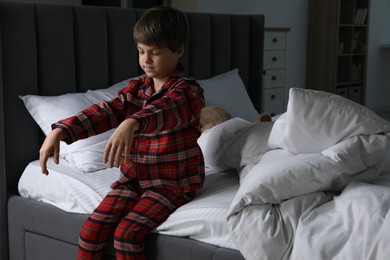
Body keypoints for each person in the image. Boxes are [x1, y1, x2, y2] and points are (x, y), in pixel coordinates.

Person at [39, 6, 205, 260]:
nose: (146, 60)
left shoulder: (188, 90)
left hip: (172, 183)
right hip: (133, 179)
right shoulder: (137, 88)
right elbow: (107, 110)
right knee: (90, 232)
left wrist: (132, 122)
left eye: (155, 52)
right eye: (141, 51)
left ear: (178, 50)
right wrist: (62, 129)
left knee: (126, 235)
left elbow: (167, 110)